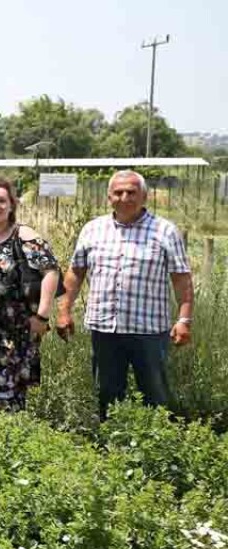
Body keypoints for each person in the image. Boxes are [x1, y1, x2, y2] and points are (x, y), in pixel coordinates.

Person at [57, 170, 193, 420]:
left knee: (155, 394)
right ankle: (112, 448)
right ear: (109, 197)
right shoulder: (93, 229)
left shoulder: (165, 231)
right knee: (107, 393)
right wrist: (64, 311)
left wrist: (183, 320)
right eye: (118, 192)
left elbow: (181, 279)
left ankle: (159, 447)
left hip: (149, 331)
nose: (124, 197)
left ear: (144, 196)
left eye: (131, 192)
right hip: (104, 329)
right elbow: (75, 272)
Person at [0, 179, 61, 412]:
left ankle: (8, 442)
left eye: (1, 200)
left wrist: (42, 316)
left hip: (16, 331)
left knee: (7, 395)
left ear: (11, 205)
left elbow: (51, 271)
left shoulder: (23, 235)